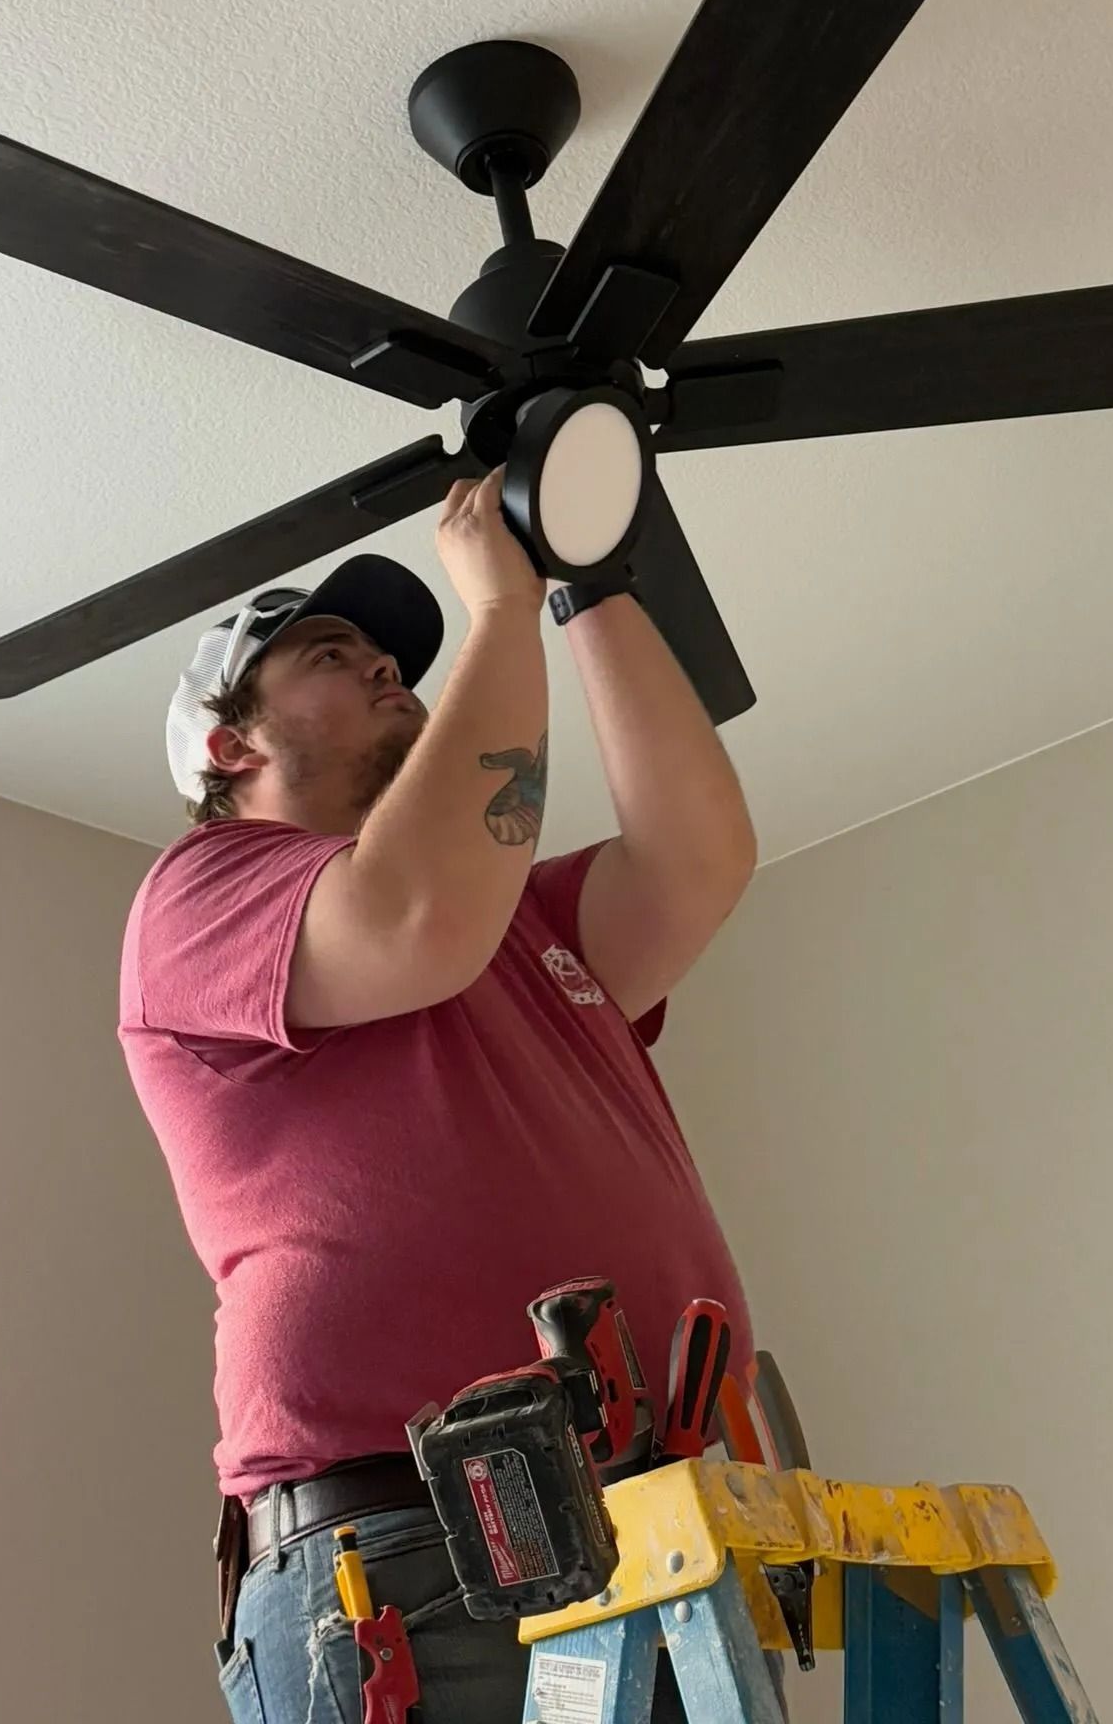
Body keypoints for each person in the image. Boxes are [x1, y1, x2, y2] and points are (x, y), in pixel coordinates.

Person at [119, 468, 759, 1723]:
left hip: (653, 1517)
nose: (384, 669)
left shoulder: (515, 922)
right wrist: (499, 615)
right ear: (230, 742)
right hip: (409, 1553)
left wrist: (586, 577)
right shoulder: (201, 892)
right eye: (330, 651)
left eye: (390, 656)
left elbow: (698, 861)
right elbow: (411, 913)